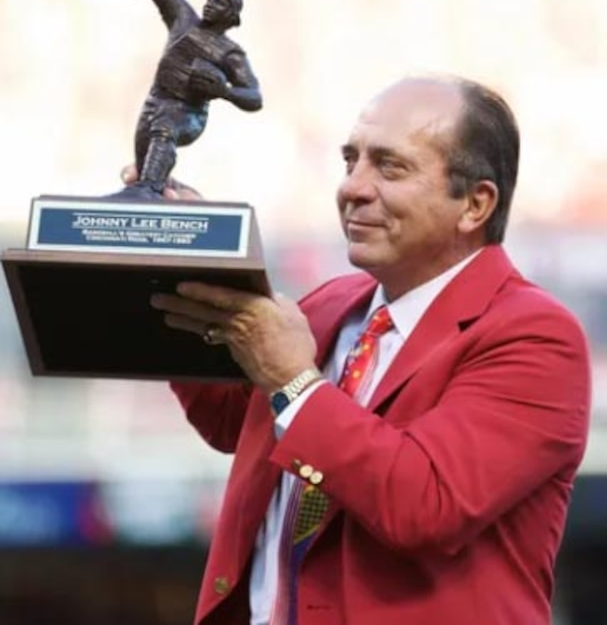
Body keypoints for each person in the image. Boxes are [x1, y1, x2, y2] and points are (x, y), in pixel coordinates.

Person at [146, 74, 591, 625]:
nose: (353, 187)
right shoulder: (335, 304)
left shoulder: (535, 336)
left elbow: (424, 505)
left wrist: (293, 380)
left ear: (475, 205)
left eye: (389, 166)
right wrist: (181, 272)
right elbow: (233, 423)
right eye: (350, 160)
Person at [113, 0, 262, 197]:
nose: (210, 3)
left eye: (219, 2)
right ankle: (152, 192)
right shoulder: (184, 19)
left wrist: (225, 90)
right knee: (145, 168)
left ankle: (148, 190)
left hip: (187, 114)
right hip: (155, 102)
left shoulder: (230, 53)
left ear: (232, 16)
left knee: (163, 133)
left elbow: (254, 96)